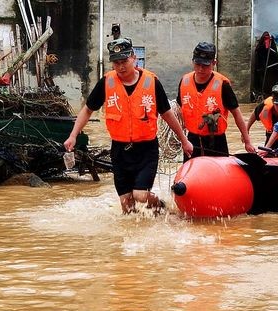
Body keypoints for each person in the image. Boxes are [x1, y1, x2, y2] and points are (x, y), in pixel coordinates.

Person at [63, 38, 193, 214]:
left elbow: (167, 114)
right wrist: (73, 135)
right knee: (127, 206)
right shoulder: (107, 83)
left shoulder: (151, 82)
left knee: (140, 194)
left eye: (124, 61)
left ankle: (161, 207)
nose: (121, 66)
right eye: (116, 63)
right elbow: (87, 110)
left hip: (146, 150)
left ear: (134, 58)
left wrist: (184, 140)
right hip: (120, 151)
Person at [177, 42, 255, 159]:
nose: (200, 69)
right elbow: (178, 110)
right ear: (193, 61)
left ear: (214, 63)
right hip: (192, 140)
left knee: (220, 174)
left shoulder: (223, 84)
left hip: (217, 142)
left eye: (205, 65)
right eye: (197, 64)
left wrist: (247, 141)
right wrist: (182, 138)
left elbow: (237, 114)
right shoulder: (184, 81)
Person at [246, 84, 278, 150]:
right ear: (273, 102)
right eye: (277, 105)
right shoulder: (265, 107)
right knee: (265, 153)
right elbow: (255, 113)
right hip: (271, 136)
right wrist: (247, 130)